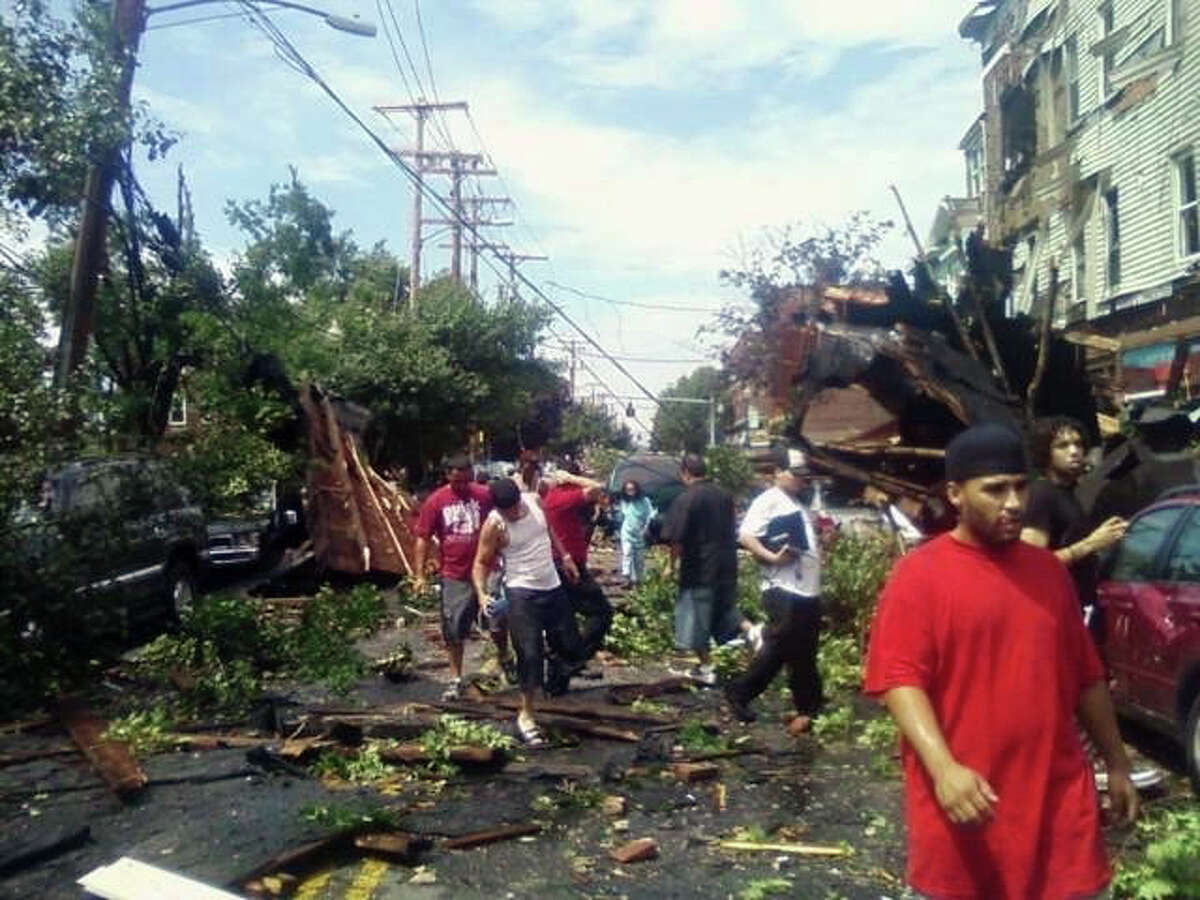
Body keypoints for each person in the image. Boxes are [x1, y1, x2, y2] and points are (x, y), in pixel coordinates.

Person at [864, 422, 1138, 900]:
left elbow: (1086, 676)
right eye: (994, 490)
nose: (1013, 502)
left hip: (1057, 807)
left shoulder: (1048, 573)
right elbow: (899, 679)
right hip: (968, 805)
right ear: (956, 494)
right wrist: (945, 768)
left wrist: (1116, 763)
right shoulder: (919, 576)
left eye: (1019, 486)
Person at [472, 478, 582, 747]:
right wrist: (482, 593)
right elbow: (481, 562)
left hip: (551, 585)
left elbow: (549, 531)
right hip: (521, 592)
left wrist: (565, 557)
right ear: (499, 508)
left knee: (570, 645)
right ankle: (526, 715)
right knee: (529, 654)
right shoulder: (494, 525)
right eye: (507, 510)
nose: (513, 513)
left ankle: (550, 673)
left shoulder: (533, 501)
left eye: (515, 506)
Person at [725, 451, 821, 730]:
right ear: (778, 471)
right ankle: (741, 691)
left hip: (805, 587)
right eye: (795, 474)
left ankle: (809, 708)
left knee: (804, 648)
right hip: (782, 585)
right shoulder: (767, 500)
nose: (801, 480)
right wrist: (771, 557)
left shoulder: (797, 504)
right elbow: (745, 535)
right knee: (782, 641)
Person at [413, 454, 512, 700]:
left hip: (488, 570)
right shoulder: (436, 501)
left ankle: (505, 657)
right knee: (454, 628)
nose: (461, 486)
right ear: (448, 476)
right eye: (457, 481)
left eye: (466, 481)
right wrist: (419, 575)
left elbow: (507, 517)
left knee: (497, 621)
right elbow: (422, 538)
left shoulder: (484, 495)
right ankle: (456, 678)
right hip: (455, 575)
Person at [661, 452, 761, 686]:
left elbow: (676, 538)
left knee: (693, 618)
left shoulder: (687, 499)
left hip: (699, 567)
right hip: (726, 564)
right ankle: (752, 631)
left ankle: (706, 668)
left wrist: (671, 566)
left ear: (685, 472)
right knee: (724, 608)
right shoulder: (724, 495)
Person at [1022, 415, 1127, 615]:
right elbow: (1031, 565)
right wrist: (1091, 543)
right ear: (1045, 452)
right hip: (1054, 609)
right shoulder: (1041, 496)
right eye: (1062, 446)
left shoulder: (1071, 491)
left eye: (1078, 444)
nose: (1074, 451)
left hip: (1079, 605)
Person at [542, 462, 612, 678]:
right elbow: (600, 488)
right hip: (568, 566)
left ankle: (559, 674)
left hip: (555, 564)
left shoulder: (548, 498)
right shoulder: (563, 498)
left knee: (564, 620)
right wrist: (573, 478)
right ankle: (574, 659)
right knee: (602, 612)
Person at [616, 479, 655, 588]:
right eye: (628, 489)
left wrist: (646, 529)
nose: (630, 491)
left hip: (640, 533)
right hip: (627, 532)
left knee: (639, 558)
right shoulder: (624, 501)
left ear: (637, 489)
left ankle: (639, 581)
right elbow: (622, 516)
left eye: (632, 489)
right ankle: (627, 579)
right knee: (627, 554)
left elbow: (650, 515)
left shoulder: (644, 501)